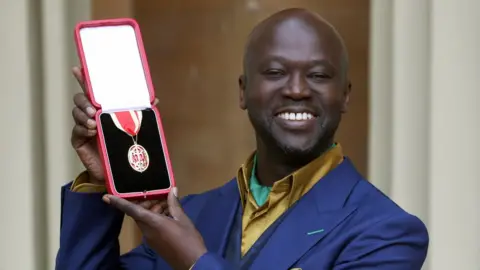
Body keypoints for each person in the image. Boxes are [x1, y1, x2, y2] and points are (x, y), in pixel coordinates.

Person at [56, 8, 429, 270]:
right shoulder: (189, 215)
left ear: (345, 95)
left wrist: (194, 263)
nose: (297, 89)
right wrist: (97, 183)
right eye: (276, 71)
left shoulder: (386, 233)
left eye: (318, 75)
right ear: (243, 92)